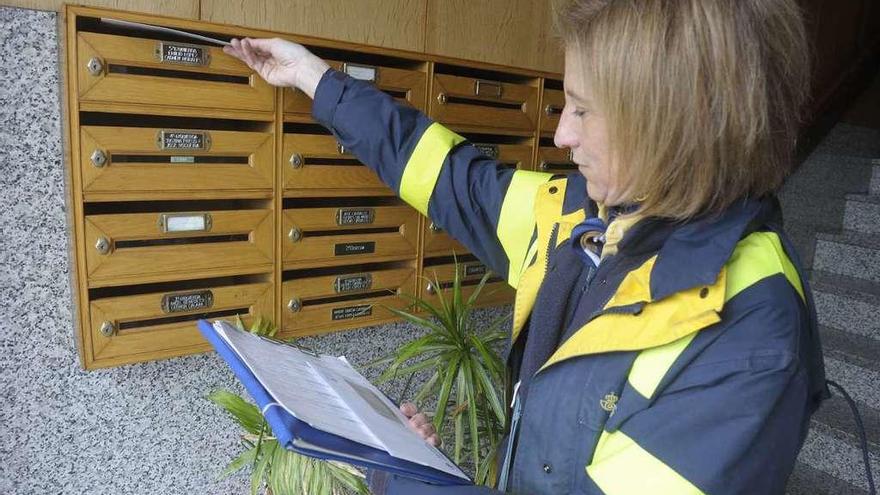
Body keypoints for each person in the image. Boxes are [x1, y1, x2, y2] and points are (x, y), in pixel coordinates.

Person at [224, 0, 828, 493]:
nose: (562, 134)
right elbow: (448, 176)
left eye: (585, 111)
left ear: (677, 126)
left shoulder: (748, 343)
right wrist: (312, 77)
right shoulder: (582, 215)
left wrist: (399, 480)